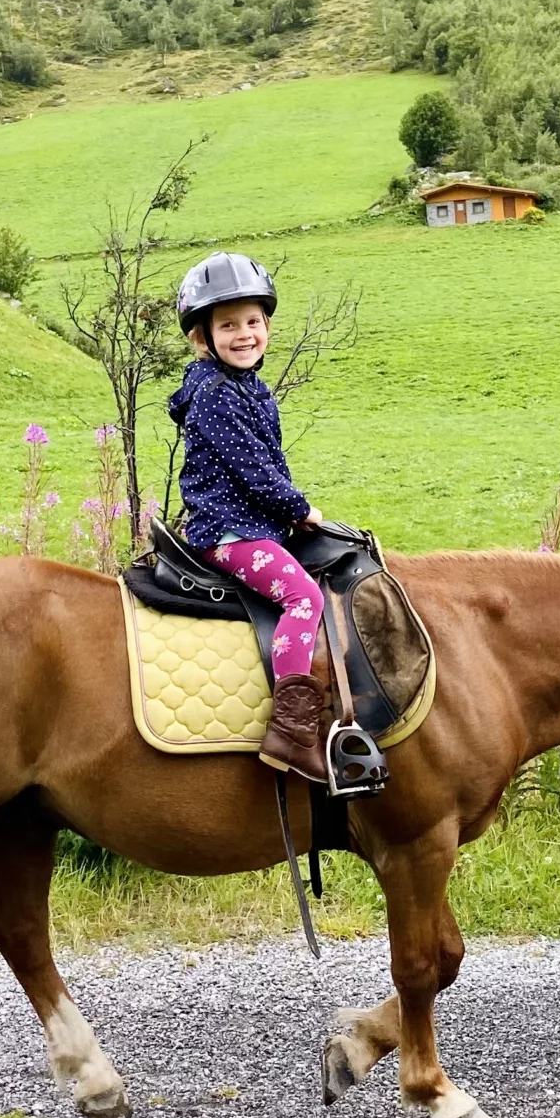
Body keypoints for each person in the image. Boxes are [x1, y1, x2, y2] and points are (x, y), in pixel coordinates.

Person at [168, 252, 331, 785]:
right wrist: (299, 508)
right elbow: (255, 472)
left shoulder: (248, 388)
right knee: (303, 597)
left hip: (254, 523)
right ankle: (291, 728)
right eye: (228, 324)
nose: (244, 334)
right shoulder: (216, 394)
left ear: (267, 326)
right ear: (202, 338)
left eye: (253, 322)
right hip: (230, 531)